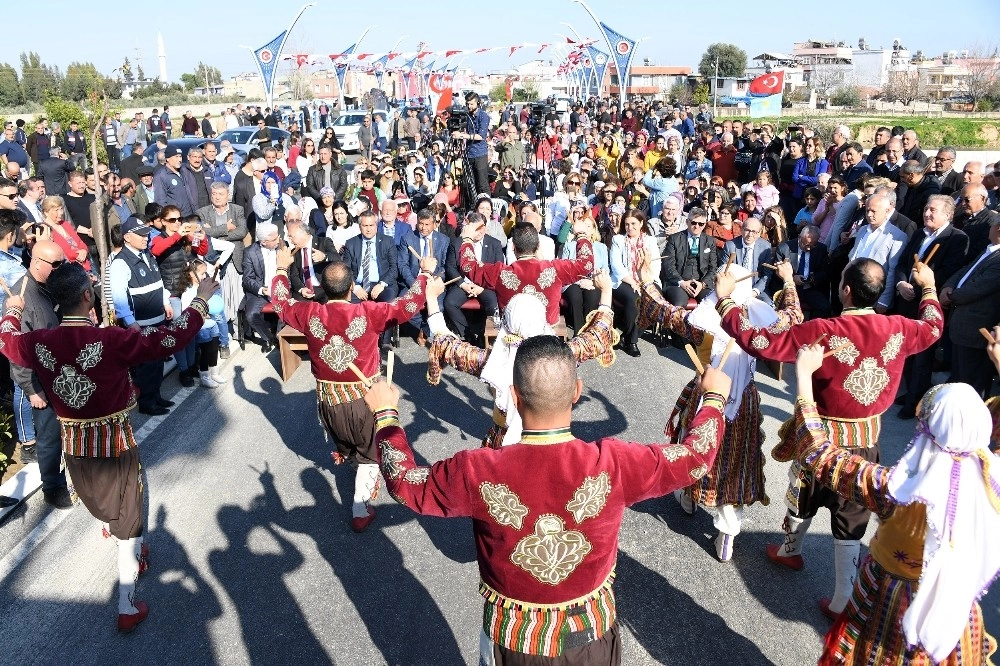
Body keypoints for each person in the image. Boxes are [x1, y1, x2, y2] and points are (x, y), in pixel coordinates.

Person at [365, 335, 730, 664]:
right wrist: (712, 398)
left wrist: (386, 415)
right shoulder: (615, 463)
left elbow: (404, 482)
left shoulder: (477, 470)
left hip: (514, 644)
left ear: (514, 396)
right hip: (591, 641)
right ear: (577, 391)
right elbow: (696, 456)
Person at [717, 257, 944, 619]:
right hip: (866, 439)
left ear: (846, 289)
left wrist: (726, 301)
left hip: (820, 433)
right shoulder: (900, 328)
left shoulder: (824, 330)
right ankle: (838, 594)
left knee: (804, 492)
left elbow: (762, 341)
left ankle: (797, 555)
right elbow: (933, 326)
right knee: (852, 512)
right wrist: (928, 286)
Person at [0, 261, 213, 632]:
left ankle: (128, 539)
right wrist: (201, 301)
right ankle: (126, 604)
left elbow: (8, 341)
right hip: (114, 445)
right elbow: (170, 337)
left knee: (112, 505)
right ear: (87, 296)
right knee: (128, 516)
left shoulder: (38, 343)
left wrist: (14, 311)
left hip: (75, 448)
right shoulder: (109, 340)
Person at [791, 344, 997, 665]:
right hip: (953, 613)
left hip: (888, 602)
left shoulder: (896, 489)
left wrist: (804, 378)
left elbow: (819, 454)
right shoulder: (992, 479)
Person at [638, 259, 802, 560]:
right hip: (744, 399)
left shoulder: (703, 321)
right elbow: (792, 316)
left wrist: (648, 282)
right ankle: (727, 533)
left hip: (707, 389)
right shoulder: (761, 326)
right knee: (736, 458)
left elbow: (664, 310)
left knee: (694, 440)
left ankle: (688, 496)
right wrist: (788, 280)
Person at [270, 244, 434, 531]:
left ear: (323, 287)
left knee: (351, 443)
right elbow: (408, 305)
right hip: (363, 402)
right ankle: (360, 509)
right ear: (351, 288)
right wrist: (424, 273)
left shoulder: (309, 314)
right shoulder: (369, 313)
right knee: (371, 453)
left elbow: (281, 303)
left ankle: (348, 454)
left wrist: (282, 268)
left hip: (327, 405)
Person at [893, 196, 969, 418]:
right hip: (905, 298)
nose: (927, 213)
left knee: (923, 354)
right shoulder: (919, 233)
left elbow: (947, 271)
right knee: (906, 349)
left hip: (926, 303)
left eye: (932, 210)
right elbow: (902, 262)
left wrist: (917, 290)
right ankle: (910, 391)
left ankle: (916, 401)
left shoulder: (957, 238)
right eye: (926, 208)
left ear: (947, 214)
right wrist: (900, 283)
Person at [10, 240, 72, 507]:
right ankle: (53, 487)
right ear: (37, 263)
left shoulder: (51, 285)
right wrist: (31, 389)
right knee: (48, 437)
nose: (61, 268)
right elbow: (16, 350)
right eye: (56, 264)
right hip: (42, 381)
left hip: (63, 373)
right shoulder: (21, 298)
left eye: (63, 263)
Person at [459, 218, 594, 326]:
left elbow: (469, 267)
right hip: (545, 337)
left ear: (512, 247)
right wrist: (581, 234)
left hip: (512, 339)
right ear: (538, 246)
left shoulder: (500, 273)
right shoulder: (554, 270)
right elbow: (586, 264)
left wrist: (467, 239)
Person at [940, 217, 1000, 397]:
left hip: (976, 331)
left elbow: (977, 288)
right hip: (962, 328)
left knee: (971, 387)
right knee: (958, 377)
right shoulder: (989, 250)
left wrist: (950, 296)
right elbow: (964, 271)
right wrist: (947, 286)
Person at [443, 213, 504, 345]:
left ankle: (485, 334)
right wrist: (463, 284)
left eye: (482, 227)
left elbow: (498, 268)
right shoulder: (457, 243)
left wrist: (481, 287)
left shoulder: (495, 243)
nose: (480, 231)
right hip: (464, 283)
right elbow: (450, 267)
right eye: (476, 228)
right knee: (449, 303)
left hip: (485, 285)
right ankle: (468, 335)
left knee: (493, 304)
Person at [609, 210, 659, 357]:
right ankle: (633, 342)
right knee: (634, 297)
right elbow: (616, 266)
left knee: (655, 299)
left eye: (633, 224)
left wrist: (644, 282)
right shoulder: (618, 240)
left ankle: (627, 336)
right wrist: (632, 282)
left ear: (641, 223)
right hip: (624, 280)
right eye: (627, 224)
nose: (630, 227)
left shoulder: (650, 241)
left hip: (647, 278)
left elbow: (656, 266)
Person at [660, 207, 718, 308]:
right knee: (679, 304)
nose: (697, 226)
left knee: (711, 304)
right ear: (687, 222)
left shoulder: (710, 241)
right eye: (693, 223)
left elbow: (713, 268)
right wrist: (682, 282)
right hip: (677, 283)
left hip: (701, 283)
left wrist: (702, 284)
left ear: (705, 225)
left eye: (701, 224)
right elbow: (668, 265)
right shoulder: (674, 239)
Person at [241, 223, 282, 351]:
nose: (278, 240)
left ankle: (281, 338)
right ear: (263, 242)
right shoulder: (250, 252)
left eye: (278, 237)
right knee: (251, 315)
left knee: (287, 310)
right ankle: (267, 338)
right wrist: (262, 290)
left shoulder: (283, 246)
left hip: (281, 287)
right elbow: (247, 278)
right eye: (274, 239)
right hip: (261, 290)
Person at [453, 92, 491, 195]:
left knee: (482, 184)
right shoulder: (467, 115)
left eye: (472, 104)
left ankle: (487, 205)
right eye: (467, 104)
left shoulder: (483, 116)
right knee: (470, 184)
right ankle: (472, 206)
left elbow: (480, 136)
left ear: (477, 103)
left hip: (480, 153)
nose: (469, 106)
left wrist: (462, 136)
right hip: (469, 153)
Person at [792, 225, 831, 318]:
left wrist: (814, 278)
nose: (808, 248)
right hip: (791, 289)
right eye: (805, 244)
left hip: (810, 288)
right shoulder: (785, 248)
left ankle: (812, 329)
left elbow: (825, 272)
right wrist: (792, 278)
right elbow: (776, 274)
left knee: (824, 307)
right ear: (799, 237)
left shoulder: (821, 249)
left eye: (812, 245)